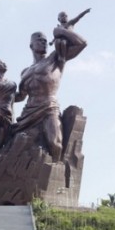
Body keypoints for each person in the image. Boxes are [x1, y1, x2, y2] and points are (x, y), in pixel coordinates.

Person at [13, 28, 87, 162]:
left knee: (55, 144)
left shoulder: (56, 58)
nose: (44, 43)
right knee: (12, 145)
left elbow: (82, 43)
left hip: (49, 107)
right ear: (31, 45)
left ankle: (53, 173)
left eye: (46, 41)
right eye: (40, 40)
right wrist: (4, 97)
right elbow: (21, 96)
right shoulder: (25, 72)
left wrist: (61, 31)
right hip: (27, 113)